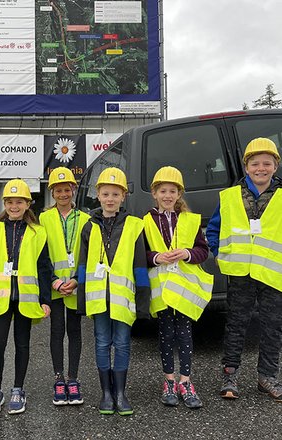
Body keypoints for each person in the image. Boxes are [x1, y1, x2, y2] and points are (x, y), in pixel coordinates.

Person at [206, 137, 282, 401]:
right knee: (237, 324)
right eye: (254, 163)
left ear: (275, 166)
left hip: (273, 274)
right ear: (246, 167)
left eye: (267, 163)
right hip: (240, 273)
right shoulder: (229, 196)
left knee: (273, 326)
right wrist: (218, 253)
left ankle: (267, 377)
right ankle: (230, 375)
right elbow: (214, 229)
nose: (260, 168)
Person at [77, 167, 149, 416]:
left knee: (122, 343)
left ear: (123, 196)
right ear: (98, 195)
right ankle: (106, 394)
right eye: (105, 193)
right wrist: (81, 300)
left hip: (123, 299)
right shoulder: (88, 227)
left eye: (115, 194)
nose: (110, 199)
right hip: (98, 299)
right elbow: (83, 265)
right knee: (101, 343)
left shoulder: (134, 225)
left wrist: (142, 301)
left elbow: (140, 266)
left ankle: (120, 393)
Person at [0, 179, 52, 415]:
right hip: (0, 298)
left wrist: (45, 299)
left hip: (26, 298)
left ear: (28, 203)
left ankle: (18, 390)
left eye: (19, 201)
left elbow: (43, 267)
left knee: (22, 345)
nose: (14, 206)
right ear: (5, 204)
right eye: (10, 202)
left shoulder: (38, 232)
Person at [143, 166, 212, 409]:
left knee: (184, 332)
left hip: (183, 286)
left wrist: (187, 253)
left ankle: (185, 381)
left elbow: (203, 250)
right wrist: (156, 258)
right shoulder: (146, 221)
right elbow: (141, 254)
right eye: (163, 190)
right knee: (166, 333)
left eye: (173, 191)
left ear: (179, 194)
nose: (168, 195)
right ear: (154, 193)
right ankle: (169, 381)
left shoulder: (190, 220)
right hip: (162, 287)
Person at [39, 167, 90, 405]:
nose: (63, 194)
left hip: (76, 286)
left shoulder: (86, 219)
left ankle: (73, 378)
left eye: (66, 189)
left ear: (73, 190)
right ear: (52, 192)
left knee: (75, 332)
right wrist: (55, 282)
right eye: (58, 190)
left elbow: (87, 255)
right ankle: (58, 378)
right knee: (57, 332)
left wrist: (77, 280)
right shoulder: (43, 219)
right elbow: (41, 255)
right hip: (55, 287)